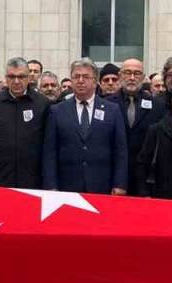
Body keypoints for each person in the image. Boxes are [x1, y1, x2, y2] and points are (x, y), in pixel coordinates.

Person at [42, 59, 128, 195]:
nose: (80, 81)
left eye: (86, 77)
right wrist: (51, 185)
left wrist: (120, 184)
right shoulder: (57, 111)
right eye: (76, 77)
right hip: (67, 186)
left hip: (102, 185)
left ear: (95, 81)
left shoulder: (112, 110)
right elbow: (50, 152)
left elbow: (120, 151)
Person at [0, 59, 50, 187]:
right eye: (11, 77)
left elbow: (48, 146)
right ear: (5, 78)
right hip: (0, 180)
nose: (16, 81)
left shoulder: (42, 103)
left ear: (28, 78)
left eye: (21, 77)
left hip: (33, 182)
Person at [109, 58, 165, 194]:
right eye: (128, 73)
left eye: (137, 73)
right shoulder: (107, 105)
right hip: (113, 177)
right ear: (120, 76)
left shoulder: (158, 106)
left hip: (146, 179)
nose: (132, 77)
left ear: (144, 77)